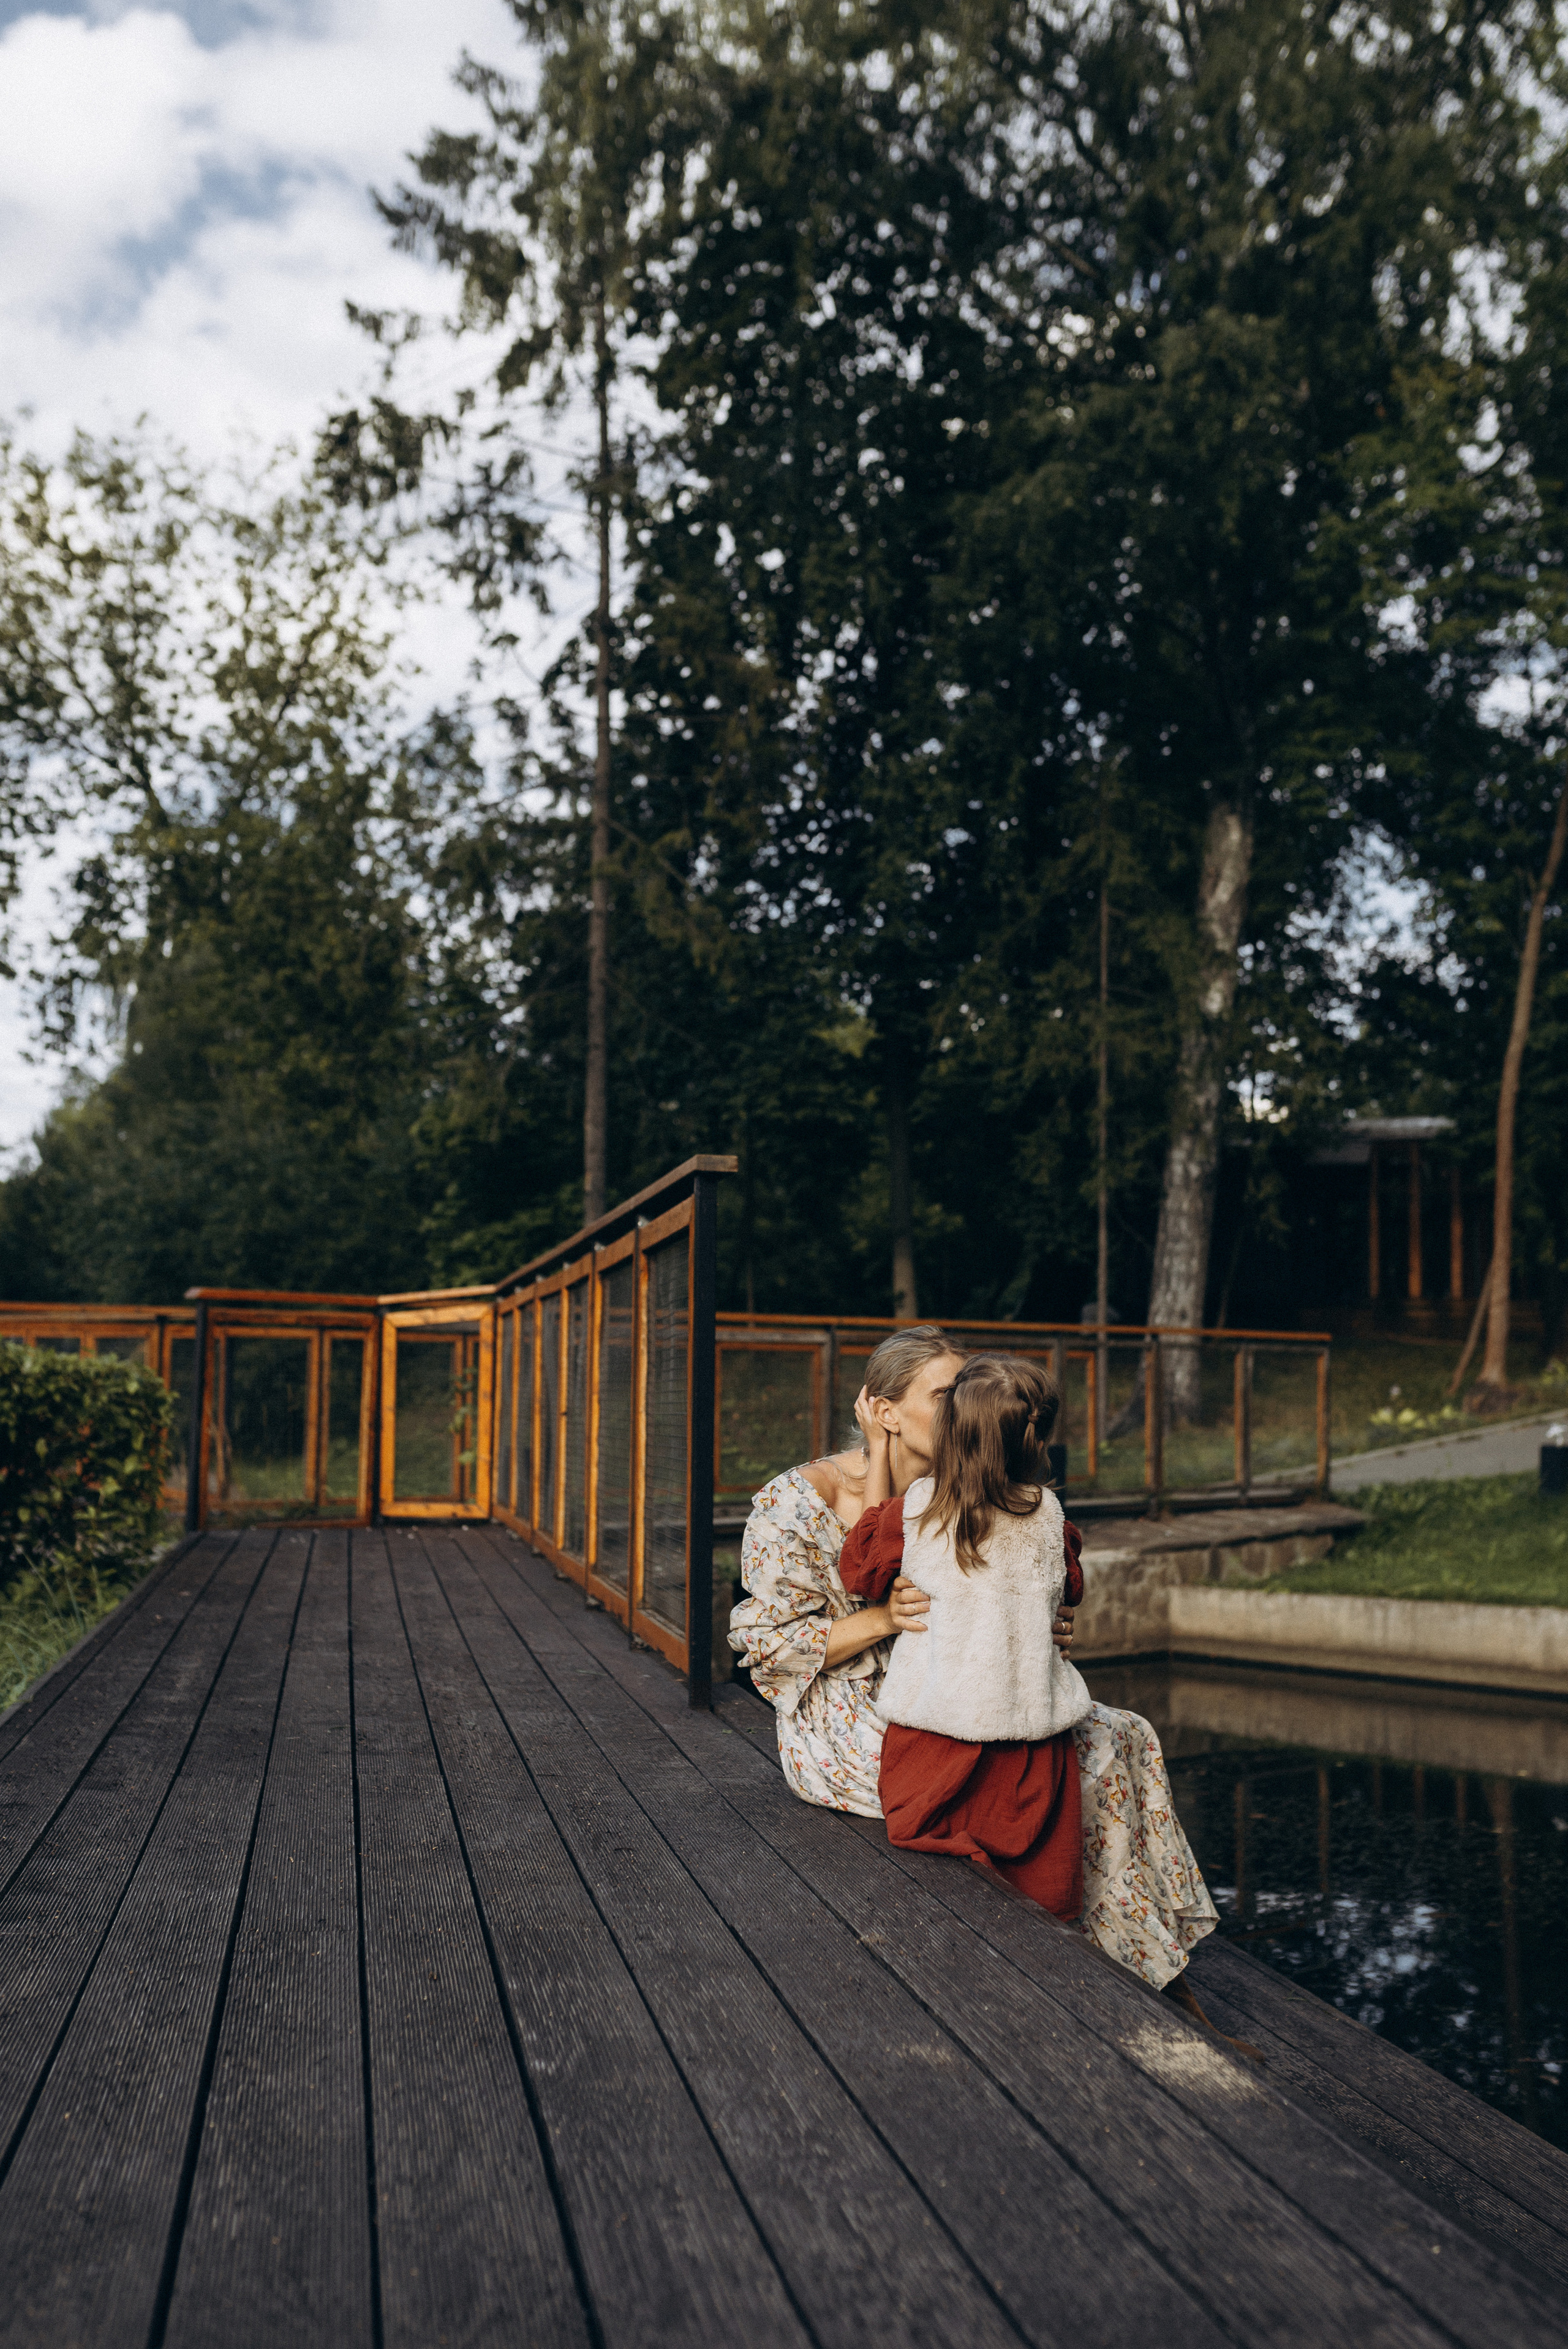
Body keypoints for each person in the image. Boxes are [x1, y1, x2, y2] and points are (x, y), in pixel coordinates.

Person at [729, 1325, 1224, 2005]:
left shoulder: (975, 1486)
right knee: (1065, 1766)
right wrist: (884, 1617)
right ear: (884, 1411)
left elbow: (1029, 1582)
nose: (964, 1405)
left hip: (959, 1684)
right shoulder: (797, 1500)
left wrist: (1039, 1622)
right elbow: (766, 1645)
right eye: (945, 1393)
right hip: (844, 1706)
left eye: (967, 1390)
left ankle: (1143, 1960)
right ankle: (1089, 1968)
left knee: (1123, 1733)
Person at [837, 1352, 1090, 1921]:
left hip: (935, 1754)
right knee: (1040, 1900)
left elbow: (859, 1567)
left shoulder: (917, 1513)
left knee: (942, 1889)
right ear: (1035, 1439)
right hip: (1032, 1755)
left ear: (950, 1430)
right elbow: (1070, 1588)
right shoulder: (1051, 1519)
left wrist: (879, 1449)